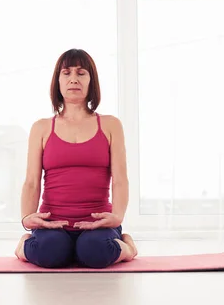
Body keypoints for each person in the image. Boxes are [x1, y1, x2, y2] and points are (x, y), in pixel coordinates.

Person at [14, 48, 138, 269]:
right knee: (50, 253)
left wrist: (117, 216)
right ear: (58, 81)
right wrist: (26, 218)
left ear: (91, 81)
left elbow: (120, 179)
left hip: (98, 223)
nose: (73, 79)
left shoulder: (110, 125)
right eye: (66, 73)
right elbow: (32, 181)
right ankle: (25, 244)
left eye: (81, 73)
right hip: (53, 223)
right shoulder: (41, 128)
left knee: (95, 252)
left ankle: (127, 245)